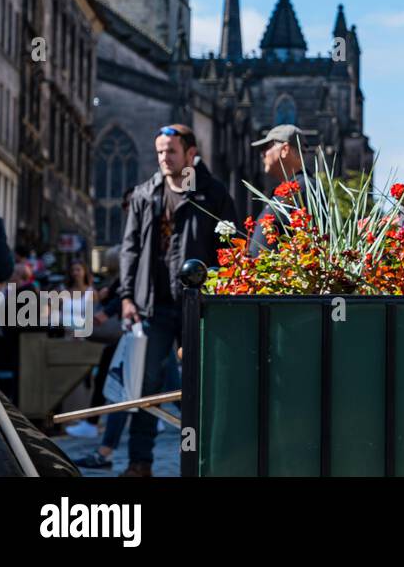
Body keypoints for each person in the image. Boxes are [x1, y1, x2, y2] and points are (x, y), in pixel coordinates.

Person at [117, 123, 236, 477]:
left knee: (203, 384)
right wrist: (126, 296)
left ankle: (205, 461)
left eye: (170, 151)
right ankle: (140, 463)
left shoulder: (212, 194)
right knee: (146, 388)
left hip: (197, 308)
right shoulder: (144, 194)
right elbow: (130, 249)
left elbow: (229, 249)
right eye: (159, 151)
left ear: (190, 154)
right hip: (152, 306)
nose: (164, 158)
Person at [247, 124, 307, 256]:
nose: (263, 154)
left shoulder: (303, 189)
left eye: (266, 147)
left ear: (285, 149)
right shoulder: (292, 188)